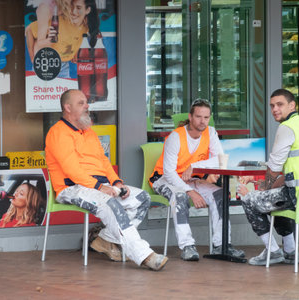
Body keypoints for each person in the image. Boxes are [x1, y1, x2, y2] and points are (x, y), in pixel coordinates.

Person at [44, 89, 168, 271]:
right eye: (81, 103)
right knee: (112, 205)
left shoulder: (89, 132)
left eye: (86, 102)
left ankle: (105, 239)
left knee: (142, 199)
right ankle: (144, 255)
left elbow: (103, 162)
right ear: (67, 107)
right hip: (72, 188)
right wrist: (100, 187)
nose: (87, 106)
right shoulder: (58, 133)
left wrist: (116, 182)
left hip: (99, 186)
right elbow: (72, 170)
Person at [237, 88, 299, 266]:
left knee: (248, 199)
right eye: (272, 106)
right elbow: (290, 172)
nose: (275, 109)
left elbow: (275, 166)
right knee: (273, 198)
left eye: (280, 104)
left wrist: (262, 188)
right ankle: (290, 251)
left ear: (292, 105)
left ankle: (273, 251)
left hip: (298, 194)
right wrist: (265, 185)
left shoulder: (286, 127)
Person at [150, 98, 245, 261]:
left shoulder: (211, 132)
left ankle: (221, 246)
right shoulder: (176, 137)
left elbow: (219, 159)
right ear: (190, 117)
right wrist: (191, 192)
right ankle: (187, 246)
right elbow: (169, 173)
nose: (203, 121)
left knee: (220, 195)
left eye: (206, 117)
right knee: (179, 197)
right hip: (165, 179)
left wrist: (194, 166)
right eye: (199, 117)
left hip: (192, 178)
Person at [26, 0, 99, 70]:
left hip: (64, 66)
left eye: (78, 8)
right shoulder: (57, 20)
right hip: (45, 64)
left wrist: (75, 51)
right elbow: (30, 29)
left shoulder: (86, 25)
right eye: (71, 6)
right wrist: (32, 57)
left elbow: (78, 35)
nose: (73, 11)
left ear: (88, 10)